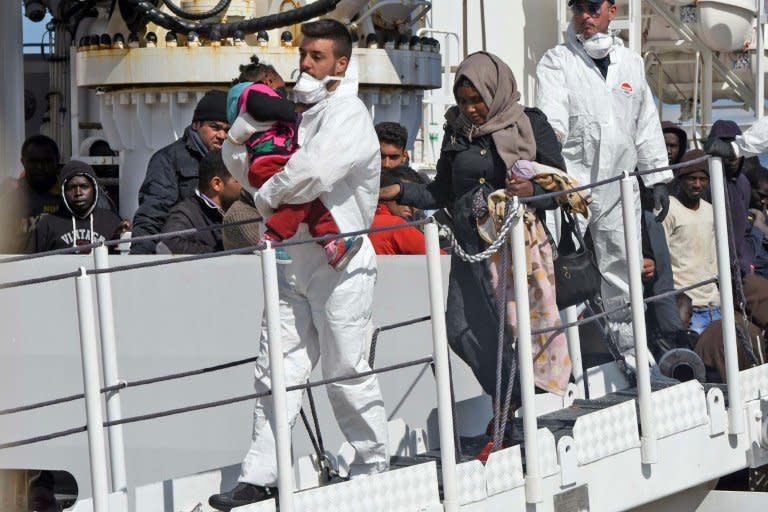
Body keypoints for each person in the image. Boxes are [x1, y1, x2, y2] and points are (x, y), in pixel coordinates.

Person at [209, 19, 388, 510]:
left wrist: (265, 196)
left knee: (346, 369)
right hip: (292, 265)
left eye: (316, 56)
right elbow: (241, 167)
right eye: (303, 53)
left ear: (341, 64)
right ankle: (261, 474)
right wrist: (243, 131)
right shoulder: (296, 115)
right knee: (274, 372)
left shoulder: (348, 114)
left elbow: (311, 173)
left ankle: (373, 467)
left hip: (342, 266)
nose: (305, 63)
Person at [380, 51, 578, 402]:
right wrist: (400, 190)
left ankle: (522, 410)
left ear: (495, 91)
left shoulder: (530, 124)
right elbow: (441, 190)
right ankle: (513, 398)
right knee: (460, 332)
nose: (470, 109)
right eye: (462, 101)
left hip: (516, 248)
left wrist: (532, 191)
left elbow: (561, 187)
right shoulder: (456, 132)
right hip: (470, 250)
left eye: (477, 100)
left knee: (517, 332)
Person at [536, 0, 672, 355]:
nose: (585, 16)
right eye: (578, 8)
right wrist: (549, 171)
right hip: (572, 184)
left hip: (619, 184)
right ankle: (561, 362)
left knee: (622, 268)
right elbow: (553, 121)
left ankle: (631, 355)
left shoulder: (631, 64)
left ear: (612, 11)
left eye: (593, 7)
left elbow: (645, 124)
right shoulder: (557, 61)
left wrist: (657, 177)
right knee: (560, 268)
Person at [222, 55, 362, 269]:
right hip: (269, 161)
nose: (285, 90)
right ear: (268, 79)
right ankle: (272, 240)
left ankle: (332, 243)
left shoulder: (264, 100)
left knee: (311, 201)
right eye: (281, 83)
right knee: (301, 193)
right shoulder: (254, 92)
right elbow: (260, 105)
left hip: (276, 162)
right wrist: (300, 112)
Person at [130, 90, 229, 254]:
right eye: (214, 127)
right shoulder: (167, 159)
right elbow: (152, 214)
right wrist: (141, 260)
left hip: (223, 254)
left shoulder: (233, 160)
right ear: (196, 125)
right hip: (182, 255)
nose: (222, 135)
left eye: (227, 130)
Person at [661, 150, 721, 334]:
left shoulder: (712, 210)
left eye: (702, 179)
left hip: (714, 305)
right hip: (685, 309)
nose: (697, 184)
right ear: (680, 179)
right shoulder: (667, 210)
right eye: (691, 179)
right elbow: (661, 259)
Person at [28, 160, 124, 253]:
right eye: (71, 187)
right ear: (63, 191)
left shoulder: (112, 220)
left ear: (94, 188)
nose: (78, 193)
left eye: (84, 186)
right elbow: (32, 263)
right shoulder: (46, 224)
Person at [157, 149, 241, 254]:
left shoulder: (244, 208)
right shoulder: (185, 213)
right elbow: (169, 243)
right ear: (217, 184)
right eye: (240, 179)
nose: (247, 185)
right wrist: (221, 254)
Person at [0, 135, 62, 253]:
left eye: (46, 161)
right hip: (19, 267)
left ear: (57, 160)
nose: (40, 167)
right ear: (23, 162)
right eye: (33, 162)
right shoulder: (8, 198)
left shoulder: (72, 195)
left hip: (61, 266)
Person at [369, 165, 434, 255]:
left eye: (416, 200)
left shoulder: (362, 220)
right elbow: (440, 258)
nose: (413, 206)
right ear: (389, 193)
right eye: (405, 197)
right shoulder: (396, 225)